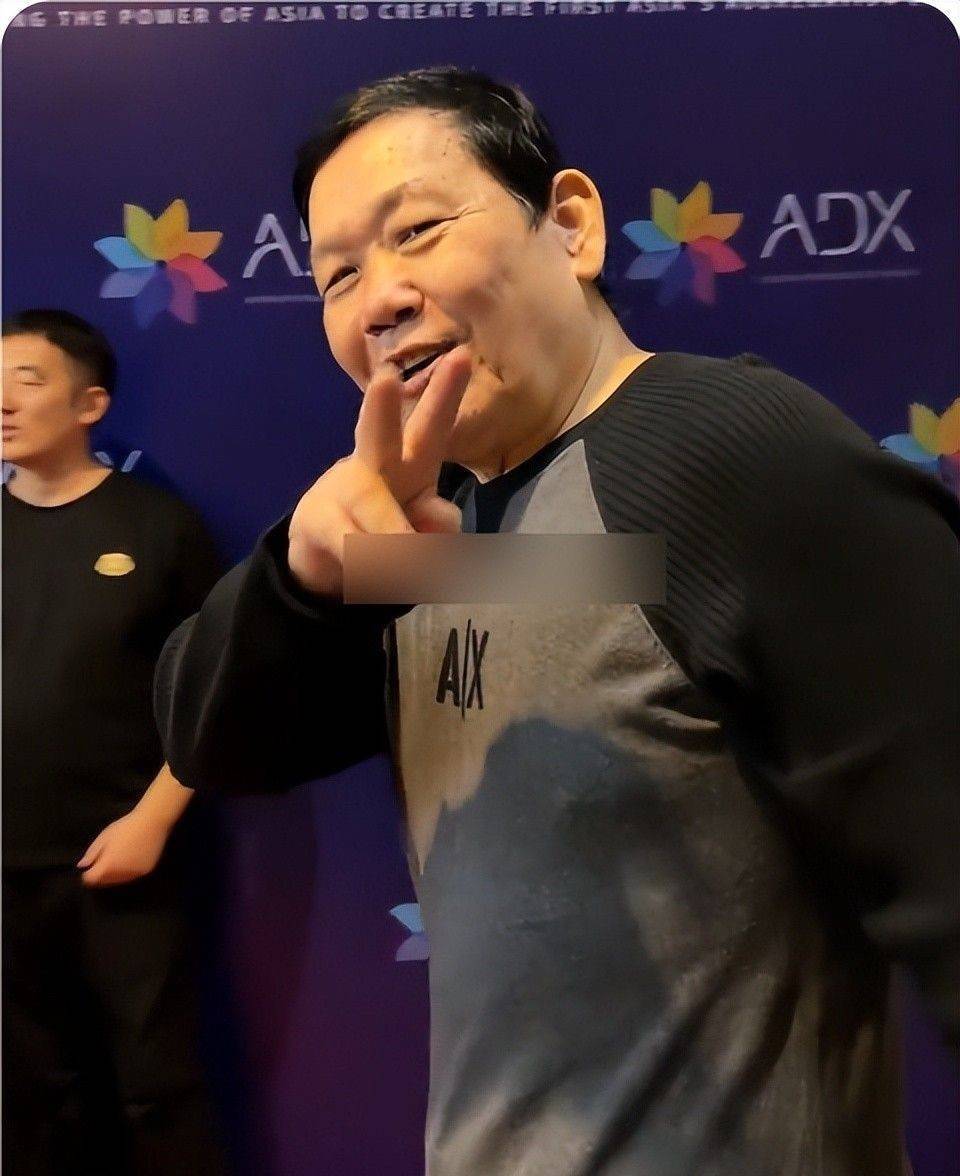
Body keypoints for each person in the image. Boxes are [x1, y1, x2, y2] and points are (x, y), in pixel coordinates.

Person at [155, 69, 959, 1176]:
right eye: (337, 276)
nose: (379, 298)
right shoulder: (424, 524)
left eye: (418, 231)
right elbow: (212, 740)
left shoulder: (731, 458)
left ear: (571, 225)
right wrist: (300, 577)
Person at [2, 309, 228, 1176]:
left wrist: (153, 821)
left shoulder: (160, 528)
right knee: (30, 1100)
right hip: (5, 874)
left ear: (89, 404)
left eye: (27, 379)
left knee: (153, 1092)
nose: (3, 400)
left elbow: (216, 695)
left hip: (121, 864)